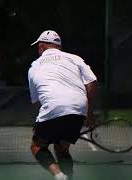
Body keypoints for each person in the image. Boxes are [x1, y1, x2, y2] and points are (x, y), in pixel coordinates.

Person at [28, 30, 97, 180]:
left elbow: (37, 100)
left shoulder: (34, 66)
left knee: (37, 147)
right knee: (62, 149)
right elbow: (92, 82)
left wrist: (39, 121)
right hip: (79, 108)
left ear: (41, 46)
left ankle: (59, 176)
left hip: (53, 108)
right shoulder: (74, 58)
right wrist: (89, 114)